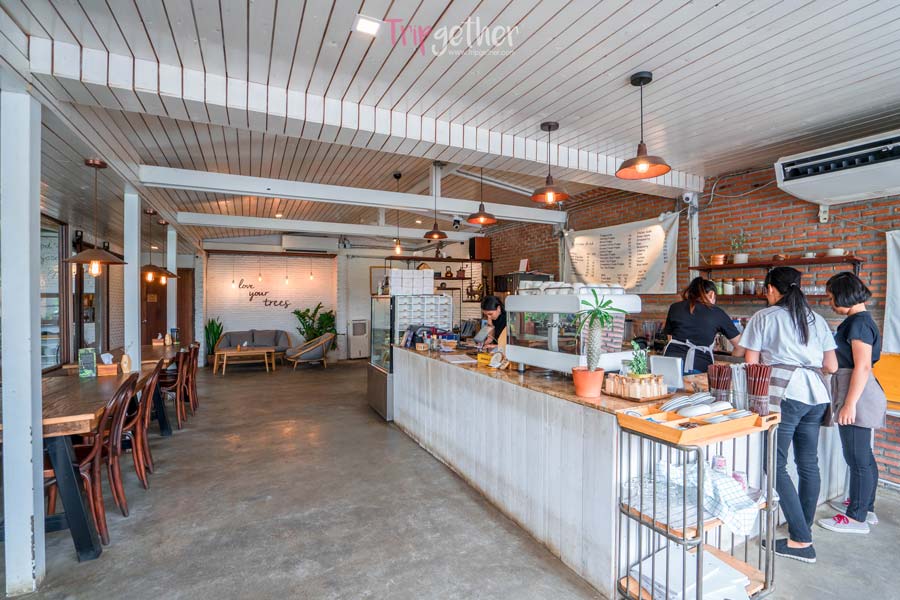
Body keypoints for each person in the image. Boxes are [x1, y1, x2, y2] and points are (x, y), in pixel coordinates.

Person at [739, 266, 838, 564]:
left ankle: (801, 540)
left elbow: (751, 364)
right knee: (808, 463)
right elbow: (831, 366)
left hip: (785, 394)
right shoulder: (816, 318)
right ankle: (802, 529)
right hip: (817, 395)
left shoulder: (764, 317)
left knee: (774, 464)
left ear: (770, 289)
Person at [817, 272, 886, 534]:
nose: (830, 302)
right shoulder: (860, 321)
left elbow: (863, 366)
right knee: (863, 456)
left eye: (831, 297)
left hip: (858, 393)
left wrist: (849, 404)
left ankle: (856, 518)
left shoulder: (858, 324)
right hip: (858, 390)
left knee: (857, 458)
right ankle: (865, 508)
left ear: (843, 295)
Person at [662, 277, 744, 373]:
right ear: (712, 294)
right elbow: (740, 347)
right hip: (697, 367)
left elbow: (670, 338)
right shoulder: (717, 313)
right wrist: (732, 362)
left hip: (669, 364)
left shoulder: (675, 307)